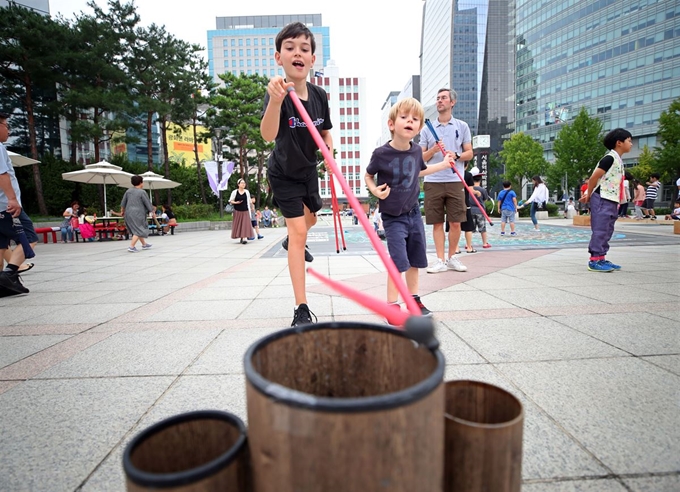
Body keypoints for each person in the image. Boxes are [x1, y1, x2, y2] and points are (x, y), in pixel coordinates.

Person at [260, 21, 333, 327]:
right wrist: (276, 101)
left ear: (312, 59)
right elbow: (267, 135)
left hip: (307, 171)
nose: (297, 53)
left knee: (310, 220)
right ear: (279, 57)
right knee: (299, 231)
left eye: (304, 48)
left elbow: (326, 132)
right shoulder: (277, 92)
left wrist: (329, 152)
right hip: (283, 173)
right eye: (290, 48)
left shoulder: (319, 95)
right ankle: (301, 308)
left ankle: (293, 241)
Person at [366, 97, 456, 316]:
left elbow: (418, 172)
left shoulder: (416, 151)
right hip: (392, 216)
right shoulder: (381, 153)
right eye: (404, 117)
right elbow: (369, 175)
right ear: (391, 124)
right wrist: (375, 190)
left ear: (419, 127)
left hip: (414, 213)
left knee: (415, 259)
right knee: (398, 261)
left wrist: (443, 165)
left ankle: (414, 301)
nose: (410, 121)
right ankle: (391, 306)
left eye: (415, 119)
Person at [420, 88, 473, 274]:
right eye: (437, 98)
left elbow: (469, 152)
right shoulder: (428, 128)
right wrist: (433, 150)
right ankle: (440, 260)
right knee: (436, 222)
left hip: (454, 180)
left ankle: (451, 258)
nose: (439, 101)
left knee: (456, 221)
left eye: (443, 98)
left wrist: (456, 155)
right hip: (433, 179)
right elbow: (421, 157)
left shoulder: (462, 126)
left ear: (452, 102)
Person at [580, 128, 633, 272]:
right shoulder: (609, 158)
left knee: (608, 229)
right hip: (603, 197)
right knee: (600, 228)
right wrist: (589, 194)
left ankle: (601, 257)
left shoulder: (617, 159)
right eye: (629, 140)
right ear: (619, 143)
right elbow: (594, 177)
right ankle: (594, 260)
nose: (631, 144)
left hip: (611, 199)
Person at [0, 112, 31, 295]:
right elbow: (2, 174)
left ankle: (2, 282)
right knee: (30, 238)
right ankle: (9, 274)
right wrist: (12, 199)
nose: (9, 131)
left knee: (1, 244)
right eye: (6, 125)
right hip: (6, 205)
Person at [120, 175, 155, 252]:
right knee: (139, 229)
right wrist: (152, 211)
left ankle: (144, 244)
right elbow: (147, 203)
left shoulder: (128, 191)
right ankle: (131, 246)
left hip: (128, 212)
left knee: (137, 228)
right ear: (140, 182)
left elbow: (123, 202)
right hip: (138, 213)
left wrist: (122, 211)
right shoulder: (142, 192)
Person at [469, 167, 491, 249]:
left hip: (470, 210)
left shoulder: (469, 189)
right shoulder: (482, 190)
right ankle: (485, 243)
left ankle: (468, 244)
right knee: (482, 228)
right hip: (480, 211)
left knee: (470, 229)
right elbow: (485, 199)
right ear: (480, 180)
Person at [228, 178, 253, 244]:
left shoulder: (247, 192)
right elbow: (230, 201)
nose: (243, 184)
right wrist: (236, 202)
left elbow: (249, 201)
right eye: (242, 183)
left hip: (245, 210)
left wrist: (252, 206)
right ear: (238, 184)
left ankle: (244, 238)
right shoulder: (234, 192)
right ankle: (241, 237)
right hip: (237, 211)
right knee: (239, 225)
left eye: (244, 183)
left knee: (245, 224)